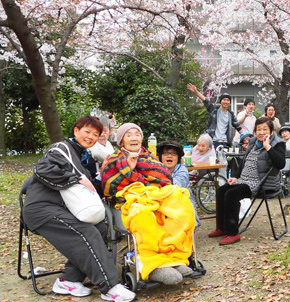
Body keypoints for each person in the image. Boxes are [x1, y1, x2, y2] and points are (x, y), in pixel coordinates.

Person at [22, 116, 135, 302]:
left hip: (62, 210)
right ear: (76, 131)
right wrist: (75, 179)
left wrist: (120, 172)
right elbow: (42, 170)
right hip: (41, 209)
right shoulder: (61, 149)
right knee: (86, 232)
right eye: (87, 132)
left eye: (95, 134)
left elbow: (93, 188)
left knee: (99, 228)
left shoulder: (83, 157)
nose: (90, 137)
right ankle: (110, 287)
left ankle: (68, 280)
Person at [101, 123, 192, 285]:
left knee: (181, 205)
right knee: (144, 213)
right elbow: (109, 186)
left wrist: (150, 188)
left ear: (142, 139)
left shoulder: (150, 157)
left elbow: (164, 178)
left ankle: (174, 259)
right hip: (129, 201)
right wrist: (130, 170)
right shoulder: (113, 159)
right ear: (121, 141)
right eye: (129, 135)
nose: (134, 137)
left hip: (156, 198)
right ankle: (152, 265)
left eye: (137, 134)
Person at [208, 117, 286, 245]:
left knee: (231, 194)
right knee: (222, 190)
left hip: (262, 184)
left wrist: (268, 148)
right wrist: (236, 177)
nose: (261, 132)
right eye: (258, 129)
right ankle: (222, 228)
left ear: (271, 132)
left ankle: (233, 233)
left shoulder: (278, 144)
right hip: (244, 180)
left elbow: (281, 164)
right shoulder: (253, 142)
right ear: (255, 131)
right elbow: (245, 162)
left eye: (265, 129)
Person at [158, 140, 200, 227]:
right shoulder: (157, 169)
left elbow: (175, 185)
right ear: (160, 157)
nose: (169, 156)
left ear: (178, 158)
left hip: (183, 211)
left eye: (173, 154)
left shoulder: (182, 169)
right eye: (166, 153)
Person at [187, 83, 242, 148]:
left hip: (225, 142)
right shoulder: (214, 110)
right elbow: (205, 101)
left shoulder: (231, 115)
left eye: (228, 100)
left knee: (224, 158)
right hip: (213, 141)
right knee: (212, 158)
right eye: (224, 100)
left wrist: (247, 137)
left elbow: (238, 127)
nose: (226, 102)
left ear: (229, 103)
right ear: (221, 101)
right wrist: (196, 92)